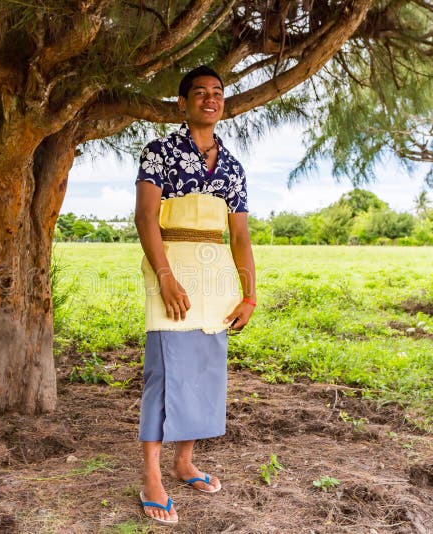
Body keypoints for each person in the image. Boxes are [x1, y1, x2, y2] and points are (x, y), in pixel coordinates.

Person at [134, 65, 257, 525]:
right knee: (165, 374)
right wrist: (165, 276)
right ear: (182, 103)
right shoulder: (159, 152)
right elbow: (146, 217)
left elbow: (240, 237)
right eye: (200, 92)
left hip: (216, 276)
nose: (210, 98)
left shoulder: (233, 167)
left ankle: (184, 461)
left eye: (218, 93)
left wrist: (249, 294)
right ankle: (151, 475)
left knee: (205, 371)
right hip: (170, 268)